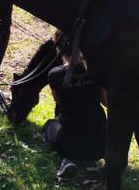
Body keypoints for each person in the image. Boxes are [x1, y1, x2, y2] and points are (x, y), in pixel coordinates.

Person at [43, 48, 106, 179]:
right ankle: (90, 162)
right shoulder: (97, 70)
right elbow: (106, 102)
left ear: (60, 48)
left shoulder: (54, 74)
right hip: (99, 142)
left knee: (49, 125)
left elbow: (58, 101)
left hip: (69, 139)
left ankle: (66, 160)